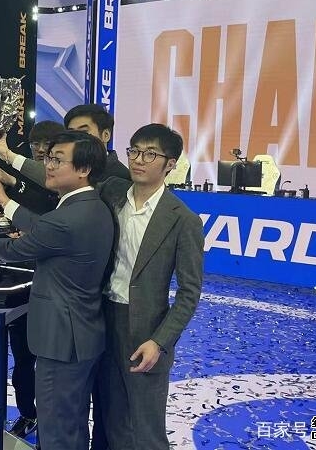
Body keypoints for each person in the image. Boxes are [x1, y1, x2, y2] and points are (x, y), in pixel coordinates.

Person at [0, 131, 114, 450]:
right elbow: (43, 227)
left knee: (55, 429)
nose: (48, 165)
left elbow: (16, 249)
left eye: (57, 160)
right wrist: (4, 199)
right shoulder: (91, 206)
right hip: (83, 333)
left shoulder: (65, 219)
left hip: (60, 340)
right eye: (49, 157)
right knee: (72, 421)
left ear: (84, 169)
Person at [98, 124, 203, 450]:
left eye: (150, 154)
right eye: (134, 151)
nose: (138, 160)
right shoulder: (111, 194)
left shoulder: (183, 220)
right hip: (101, 318)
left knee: (146, 427)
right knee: (112, 418)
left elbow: (189, 292)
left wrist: (159, 341)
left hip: (145, 329)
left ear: (170, 163)